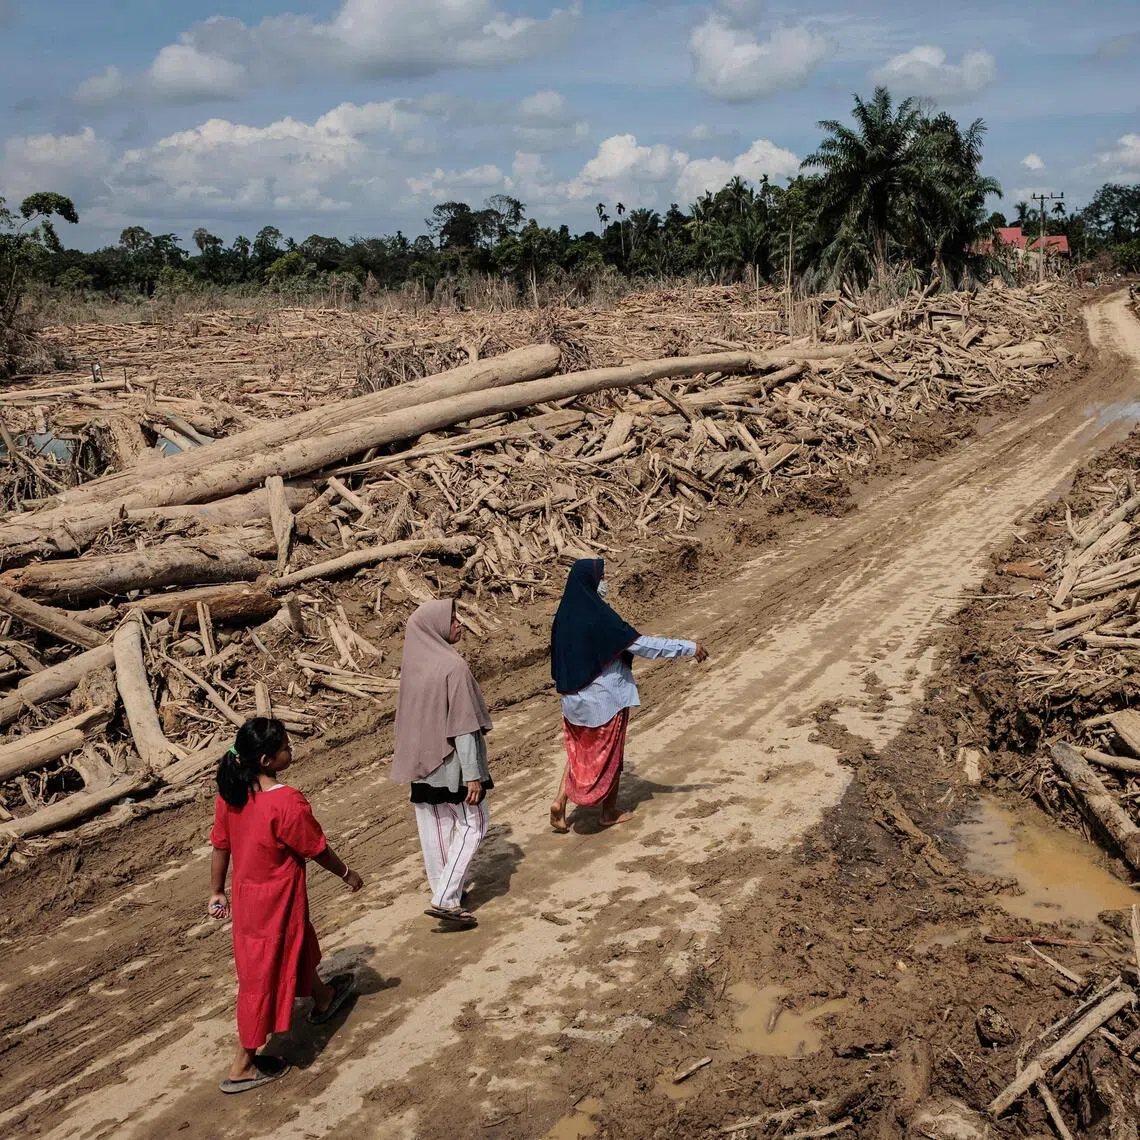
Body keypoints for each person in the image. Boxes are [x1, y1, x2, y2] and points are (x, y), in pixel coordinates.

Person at [208, 717, 363, 1094]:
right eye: (285, 748)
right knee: (262, 976)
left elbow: (220, 845)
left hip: (248, 899)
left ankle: (323, 998)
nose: (290, 751)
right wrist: (347, 874)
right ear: (266, 760)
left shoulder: (232, 794)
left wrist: (216, 891)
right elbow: (317, 849)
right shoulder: (286, 802)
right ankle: (243, 1064)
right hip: (277, 899)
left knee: (291, 947)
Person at [549, 558, 708, 831]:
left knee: (578, 751)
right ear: (590, 582)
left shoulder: (564, 614)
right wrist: (687, 647)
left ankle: (560, 802)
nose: (604, 584)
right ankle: (608, 812)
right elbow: (641, 645)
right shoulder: (598, 616)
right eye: (602, 578)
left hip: (571, 701)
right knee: (612, 754)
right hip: (603, 699)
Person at [392, 599, 493, 930]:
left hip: (421, 767)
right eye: (452, 619)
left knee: (434, 832)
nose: (460, 623)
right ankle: (447, 898)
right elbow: (464, 728)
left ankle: (447, 893)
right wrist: (474, 776)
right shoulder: (454, 667)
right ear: (435, 628)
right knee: (472, 826)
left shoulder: (414, 668)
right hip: (452, 768)